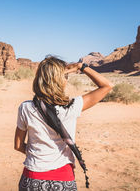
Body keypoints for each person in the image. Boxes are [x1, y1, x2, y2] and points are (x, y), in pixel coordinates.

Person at [14, 55, 113, 190]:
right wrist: (81, 67)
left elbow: (18, 145)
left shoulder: (26, 108)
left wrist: (38, 156)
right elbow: (107, 86)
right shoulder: (72, 106)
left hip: (32, 179)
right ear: (60, 81)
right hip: (62, 179)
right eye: (65, 77)